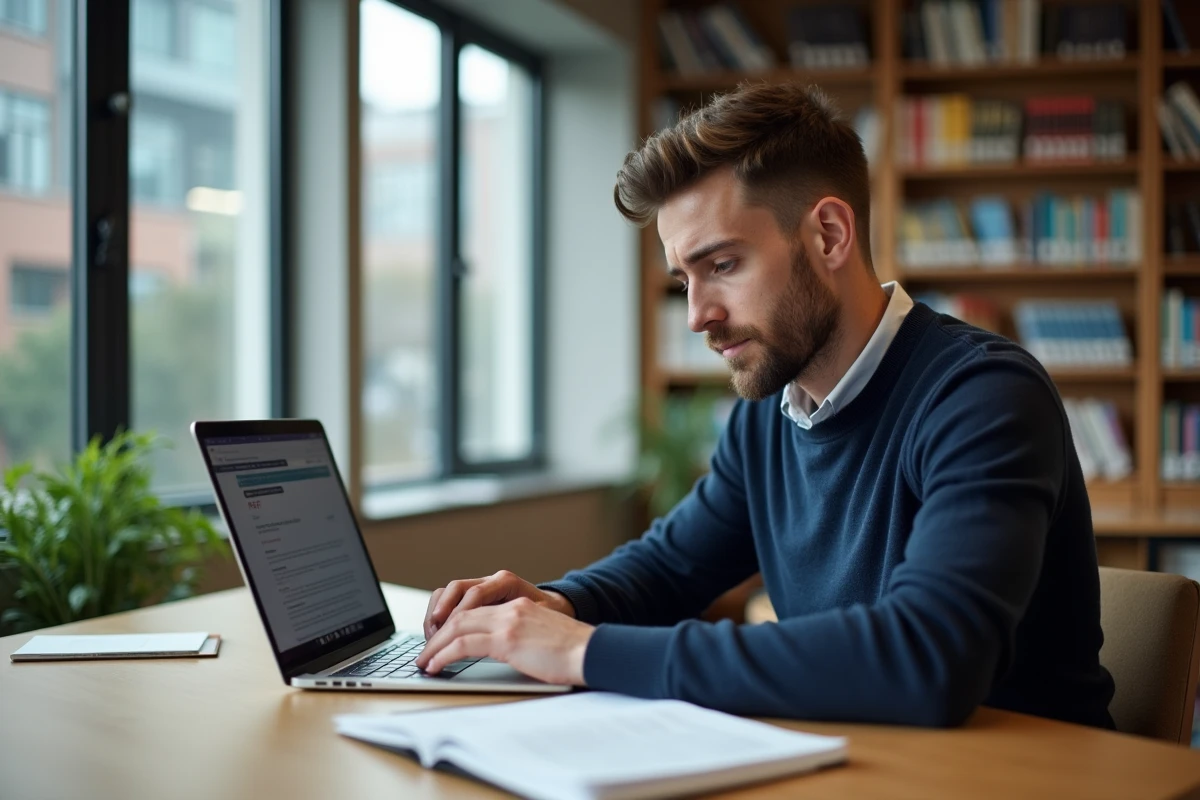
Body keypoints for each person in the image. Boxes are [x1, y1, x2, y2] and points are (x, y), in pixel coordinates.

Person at [414, 82, 1116, 729]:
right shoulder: (771, 409)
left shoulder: (982, 397)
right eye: (684, 278)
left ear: (830, 235)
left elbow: (929, 658)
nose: (697, 315)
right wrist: (556, 606)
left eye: (722, 265)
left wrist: (582, 651)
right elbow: (670, 568)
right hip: (866, 763)